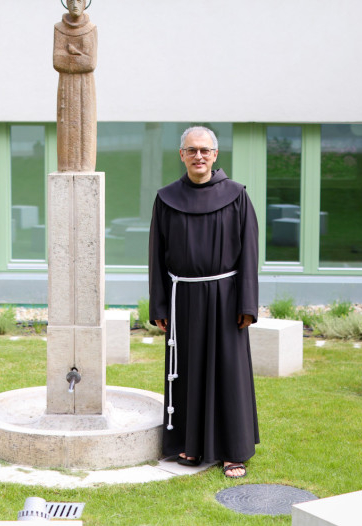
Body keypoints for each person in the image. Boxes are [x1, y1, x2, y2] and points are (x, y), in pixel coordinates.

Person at [148, 126, 259, 479]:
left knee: (228, 374)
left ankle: (232, 452)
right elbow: (156, 257)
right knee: (187, 372)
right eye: (192, 150)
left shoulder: (237, 195)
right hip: (183, 298)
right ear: (182, 155)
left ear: (215, 155)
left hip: (227, 299)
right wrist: (159, 305)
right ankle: (190, 444)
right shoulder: (166, 198)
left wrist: (247, 304)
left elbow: (249, 253)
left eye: (205, 150)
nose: (199, 156)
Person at [53, 0, 97, 172]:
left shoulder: (90, 29)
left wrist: (71, 57)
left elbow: (90, 63)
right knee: (65, 123)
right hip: (66, 84)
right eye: (71, 1)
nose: (75, 4)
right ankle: (66, 164)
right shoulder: (59, 29)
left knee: (85, 123)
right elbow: (57, 61)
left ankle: (85, 164)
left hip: (84, 85)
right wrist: (78, 58)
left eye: (79, 1)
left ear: (84, 4)